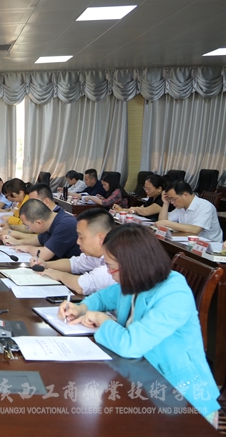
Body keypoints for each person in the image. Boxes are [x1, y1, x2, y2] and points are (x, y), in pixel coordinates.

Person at [59, 224, 220, 426]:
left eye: (110, 266)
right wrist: (81, 308)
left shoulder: (174, 292)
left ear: (132, 264)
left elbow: (130, 345)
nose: (109, 272)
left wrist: (101, 319)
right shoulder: (136, 280)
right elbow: (101, 298)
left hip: (182, 397)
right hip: (141, 381)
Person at [31, 208, 117, 294]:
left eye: (81, 237)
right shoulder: (98, 254)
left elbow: (82, 286)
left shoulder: (117, 260)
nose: (78, 242)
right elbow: (74, 263)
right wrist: (46, 264)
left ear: (100, 239)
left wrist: (59, 275)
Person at [3, 199, 81, 260]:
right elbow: (38, 239)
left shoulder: (65, 225)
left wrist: (27, 248)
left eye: (27, 226)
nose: (27, 228)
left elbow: (44, 254)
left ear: (39, 223)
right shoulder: (50, 220)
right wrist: (17, 242)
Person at [156, 180, 223, 242]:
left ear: (185, 195)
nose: (172, 202)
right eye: (170, 199)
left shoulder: (205, 206)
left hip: (210, 246)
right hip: (190, 242)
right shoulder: (180, 207)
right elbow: (162, 223)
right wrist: (166, 203)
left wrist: (168, 223)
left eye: (173, 199)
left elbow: (195, 230)